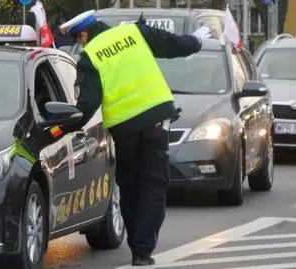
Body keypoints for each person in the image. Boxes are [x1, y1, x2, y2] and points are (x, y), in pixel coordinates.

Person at [52, 10, 211, 266]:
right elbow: (175, 46)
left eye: (78, 39)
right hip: (156, 120)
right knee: (153, 184)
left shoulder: (89, 56)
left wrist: (58, 130)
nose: (80, 44)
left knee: (129, 185)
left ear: (83, 34)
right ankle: (142, 251)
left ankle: (137, 243)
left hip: (124, 129)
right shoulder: (134, 31)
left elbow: (87, 105)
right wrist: (197, 41)